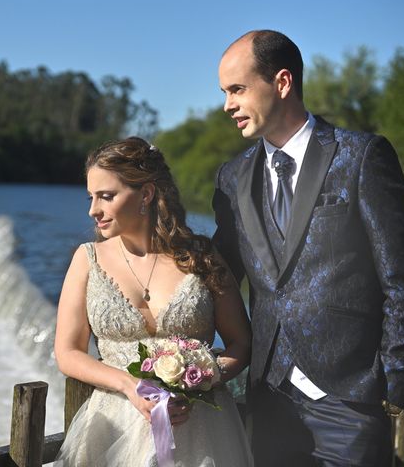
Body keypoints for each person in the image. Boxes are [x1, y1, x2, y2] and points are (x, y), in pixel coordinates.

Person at [212, 29, 404, 467]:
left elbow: (403, 282)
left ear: (282, 83)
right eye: (225, 92)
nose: (227, 104)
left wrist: (395, 386)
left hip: (351, 401)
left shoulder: (361, 157)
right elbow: (217, 277)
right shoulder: (232, 180)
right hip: (268, 398)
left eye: (238, 89)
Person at [54, 137, 254, 466]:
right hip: (114, 425)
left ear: (146, 194)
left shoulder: (201, 257)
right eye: (91, 197)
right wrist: (130, 385)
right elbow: (68, 352)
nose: (94, 210)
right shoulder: (86, 259)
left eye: (106, 196)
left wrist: (202, 380)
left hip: (201, 430)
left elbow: (241, 343)